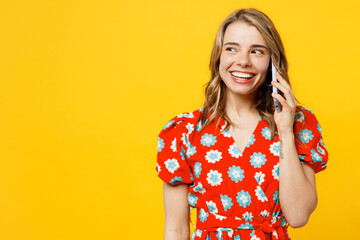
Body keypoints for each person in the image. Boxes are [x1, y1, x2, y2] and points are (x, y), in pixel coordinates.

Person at [155, 8, 329, 240]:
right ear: (218, 56)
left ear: (272, 63)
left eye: (257, 51)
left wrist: (285, 131)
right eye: (231, 49)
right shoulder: (184, 131)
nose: (243, 61)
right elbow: (176, 230)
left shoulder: (298, 123)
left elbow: (298, 216)